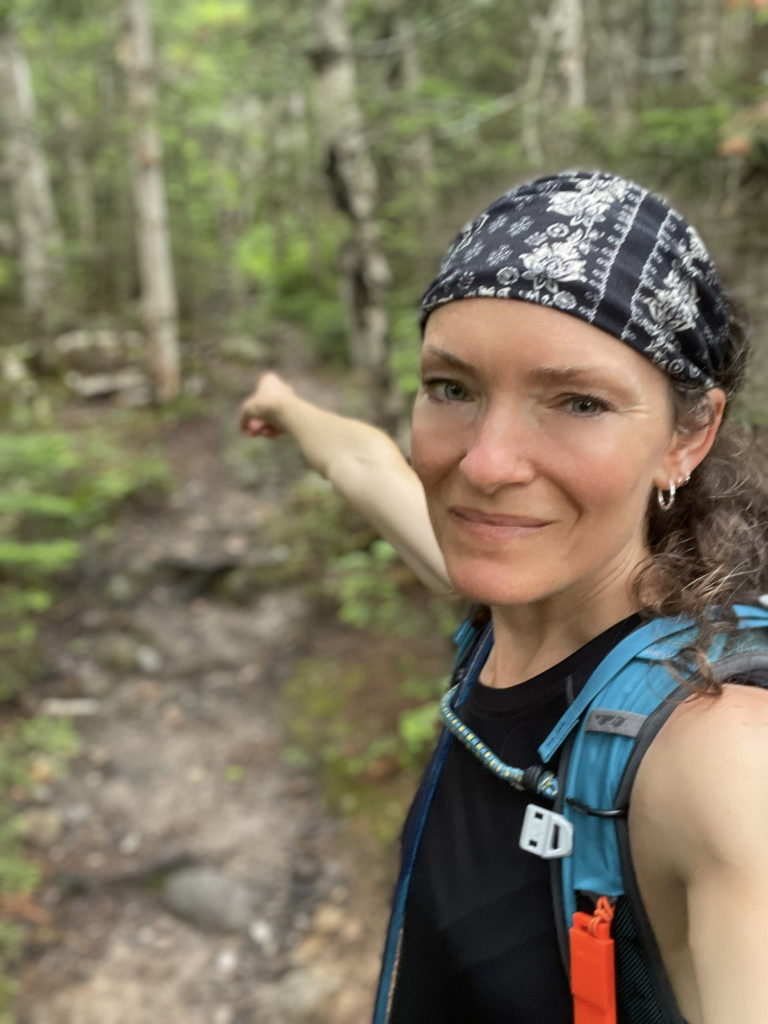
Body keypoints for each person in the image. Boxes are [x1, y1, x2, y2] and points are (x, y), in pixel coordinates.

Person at [240, 170, 768, 1024]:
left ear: (689, 435)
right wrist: (286, 405)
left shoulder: (716, 753)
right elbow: (365, 465)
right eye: (453, 388)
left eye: (578, 402)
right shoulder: (511, 604)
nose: (486, 464)